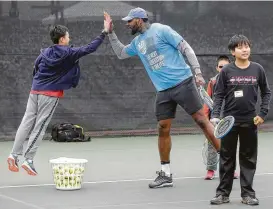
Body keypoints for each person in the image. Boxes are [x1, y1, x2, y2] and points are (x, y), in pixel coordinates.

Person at [104, 8, 221, 188]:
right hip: (163, 91)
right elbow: (121, 53)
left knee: (201, 120)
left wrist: (197, 72)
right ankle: (165, 174)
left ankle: (228, 162)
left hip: (184, 82)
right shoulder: (137, 42)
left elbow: (186, 48)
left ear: (140, 20)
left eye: (130, 21)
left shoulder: (161, 30)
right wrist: (110, 33)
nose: (127, 24)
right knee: (163, 128)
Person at [7, 20, 112, 176]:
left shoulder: (45, 53)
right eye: (68, 36)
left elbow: (35, 67)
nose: (69, 38)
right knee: (40, 127)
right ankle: (28, 160)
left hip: (34, 90)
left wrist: (38, 84)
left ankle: (13, 155)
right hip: (49, 94)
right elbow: (91, 47)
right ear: (62, 39)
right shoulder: (69, 53)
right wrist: (105, 32)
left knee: (26, 122)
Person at [210, 35, 271, 205]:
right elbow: (219, 95)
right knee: (227, 158)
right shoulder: (227, 71)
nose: (245, 50)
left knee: (248, 159)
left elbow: (266, 92)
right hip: (229, 123)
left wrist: (263, 113)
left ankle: (248, 194)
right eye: (240, 47)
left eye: (247, 46)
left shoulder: (258, 69)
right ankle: (223, 194)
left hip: (250, 122)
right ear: (232, 51)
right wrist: (215, 115)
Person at [203, 55, 239, 180]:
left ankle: (231, 170)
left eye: (226, 66)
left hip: (230, 117)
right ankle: (211, 170)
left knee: (230, 145)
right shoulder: (212, 82)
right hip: (215, 118)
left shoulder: (235, 80)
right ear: (217, 68)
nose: (223, 69)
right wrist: (206, 119)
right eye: (220, 67)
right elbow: (207, 101)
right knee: (212, 144)